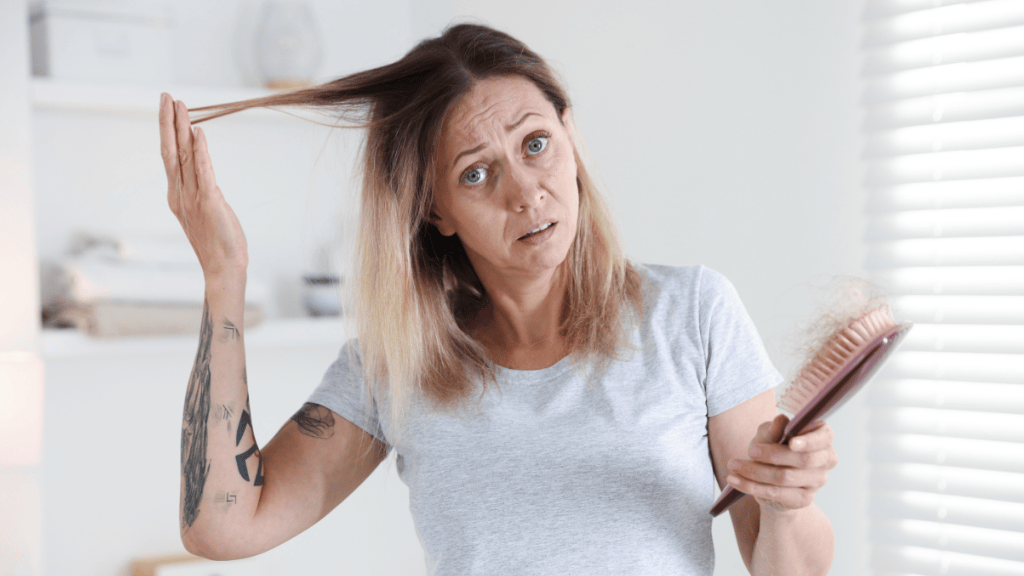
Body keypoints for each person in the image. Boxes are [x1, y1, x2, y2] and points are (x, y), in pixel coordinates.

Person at [160, 23, 837, 575]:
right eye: (476, 173)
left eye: (536, 144)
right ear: (436, 210)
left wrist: (785, 503)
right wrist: (225, 272)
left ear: (571, 137)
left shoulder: (693, 312)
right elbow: (222, 526)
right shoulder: (398, 363)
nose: (526, 192)